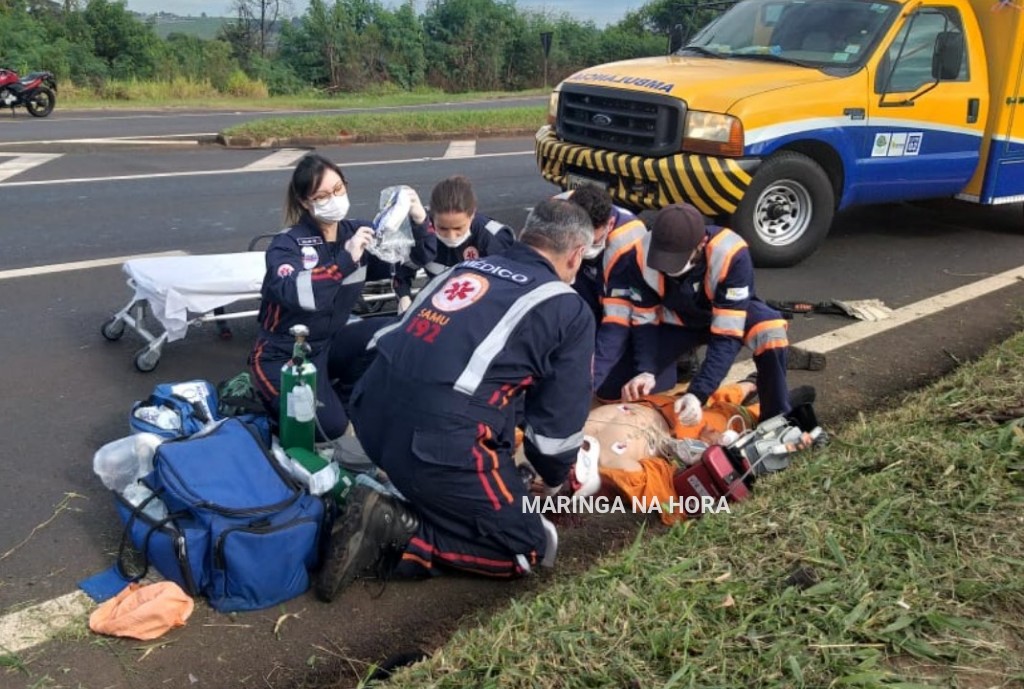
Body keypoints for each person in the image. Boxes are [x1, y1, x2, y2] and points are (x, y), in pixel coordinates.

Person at [314, 197, 596, 602]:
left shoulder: (466, 267)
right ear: (576, 255)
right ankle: (400, 533)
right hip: (434, 442)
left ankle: (429, 497)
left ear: (525, 235)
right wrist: (556, 476)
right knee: (529, 547)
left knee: (484, 405)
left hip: (373, 418)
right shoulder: (567, 308)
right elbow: (555, 436)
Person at [248, 154, 435, 442]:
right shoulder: (288, 244)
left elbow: (410, 260)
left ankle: (341, 399)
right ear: (304, 202)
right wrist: (345, 261)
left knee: (398, 329)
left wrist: (419, 220)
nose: (334, 199)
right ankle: (287, 404)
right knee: (326, 428)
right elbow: (298, 293)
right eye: (322, 195)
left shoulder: (356, 231)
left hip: (329, 343)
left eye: (338, 189)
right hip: (283, 353)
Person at [594, 203, 791, 424]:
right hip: (679, 319)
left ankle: (776, 418)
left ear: (701, 243)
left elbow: (727, 335)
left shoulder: (731, 254)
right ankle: (699, 370)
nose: (668, 268)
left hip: (727, 315)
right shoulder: (640, 254)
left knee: (770, 333)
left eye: (675, 260)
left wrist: (699, 393)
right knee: (612, 390)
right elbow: (644, 321)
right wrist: (645, 370)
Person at [392, 175, 515, 313]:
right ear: (432, 217)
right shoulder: (420, 231)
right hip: (438, 299)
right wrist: (404, 298)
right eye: (443, 228)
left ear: (472, 215)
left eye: (458, 228)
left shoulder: (493, 237)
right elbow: (402, 270)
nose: (451, 236)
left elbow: (509, 286)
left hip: (481, 306)